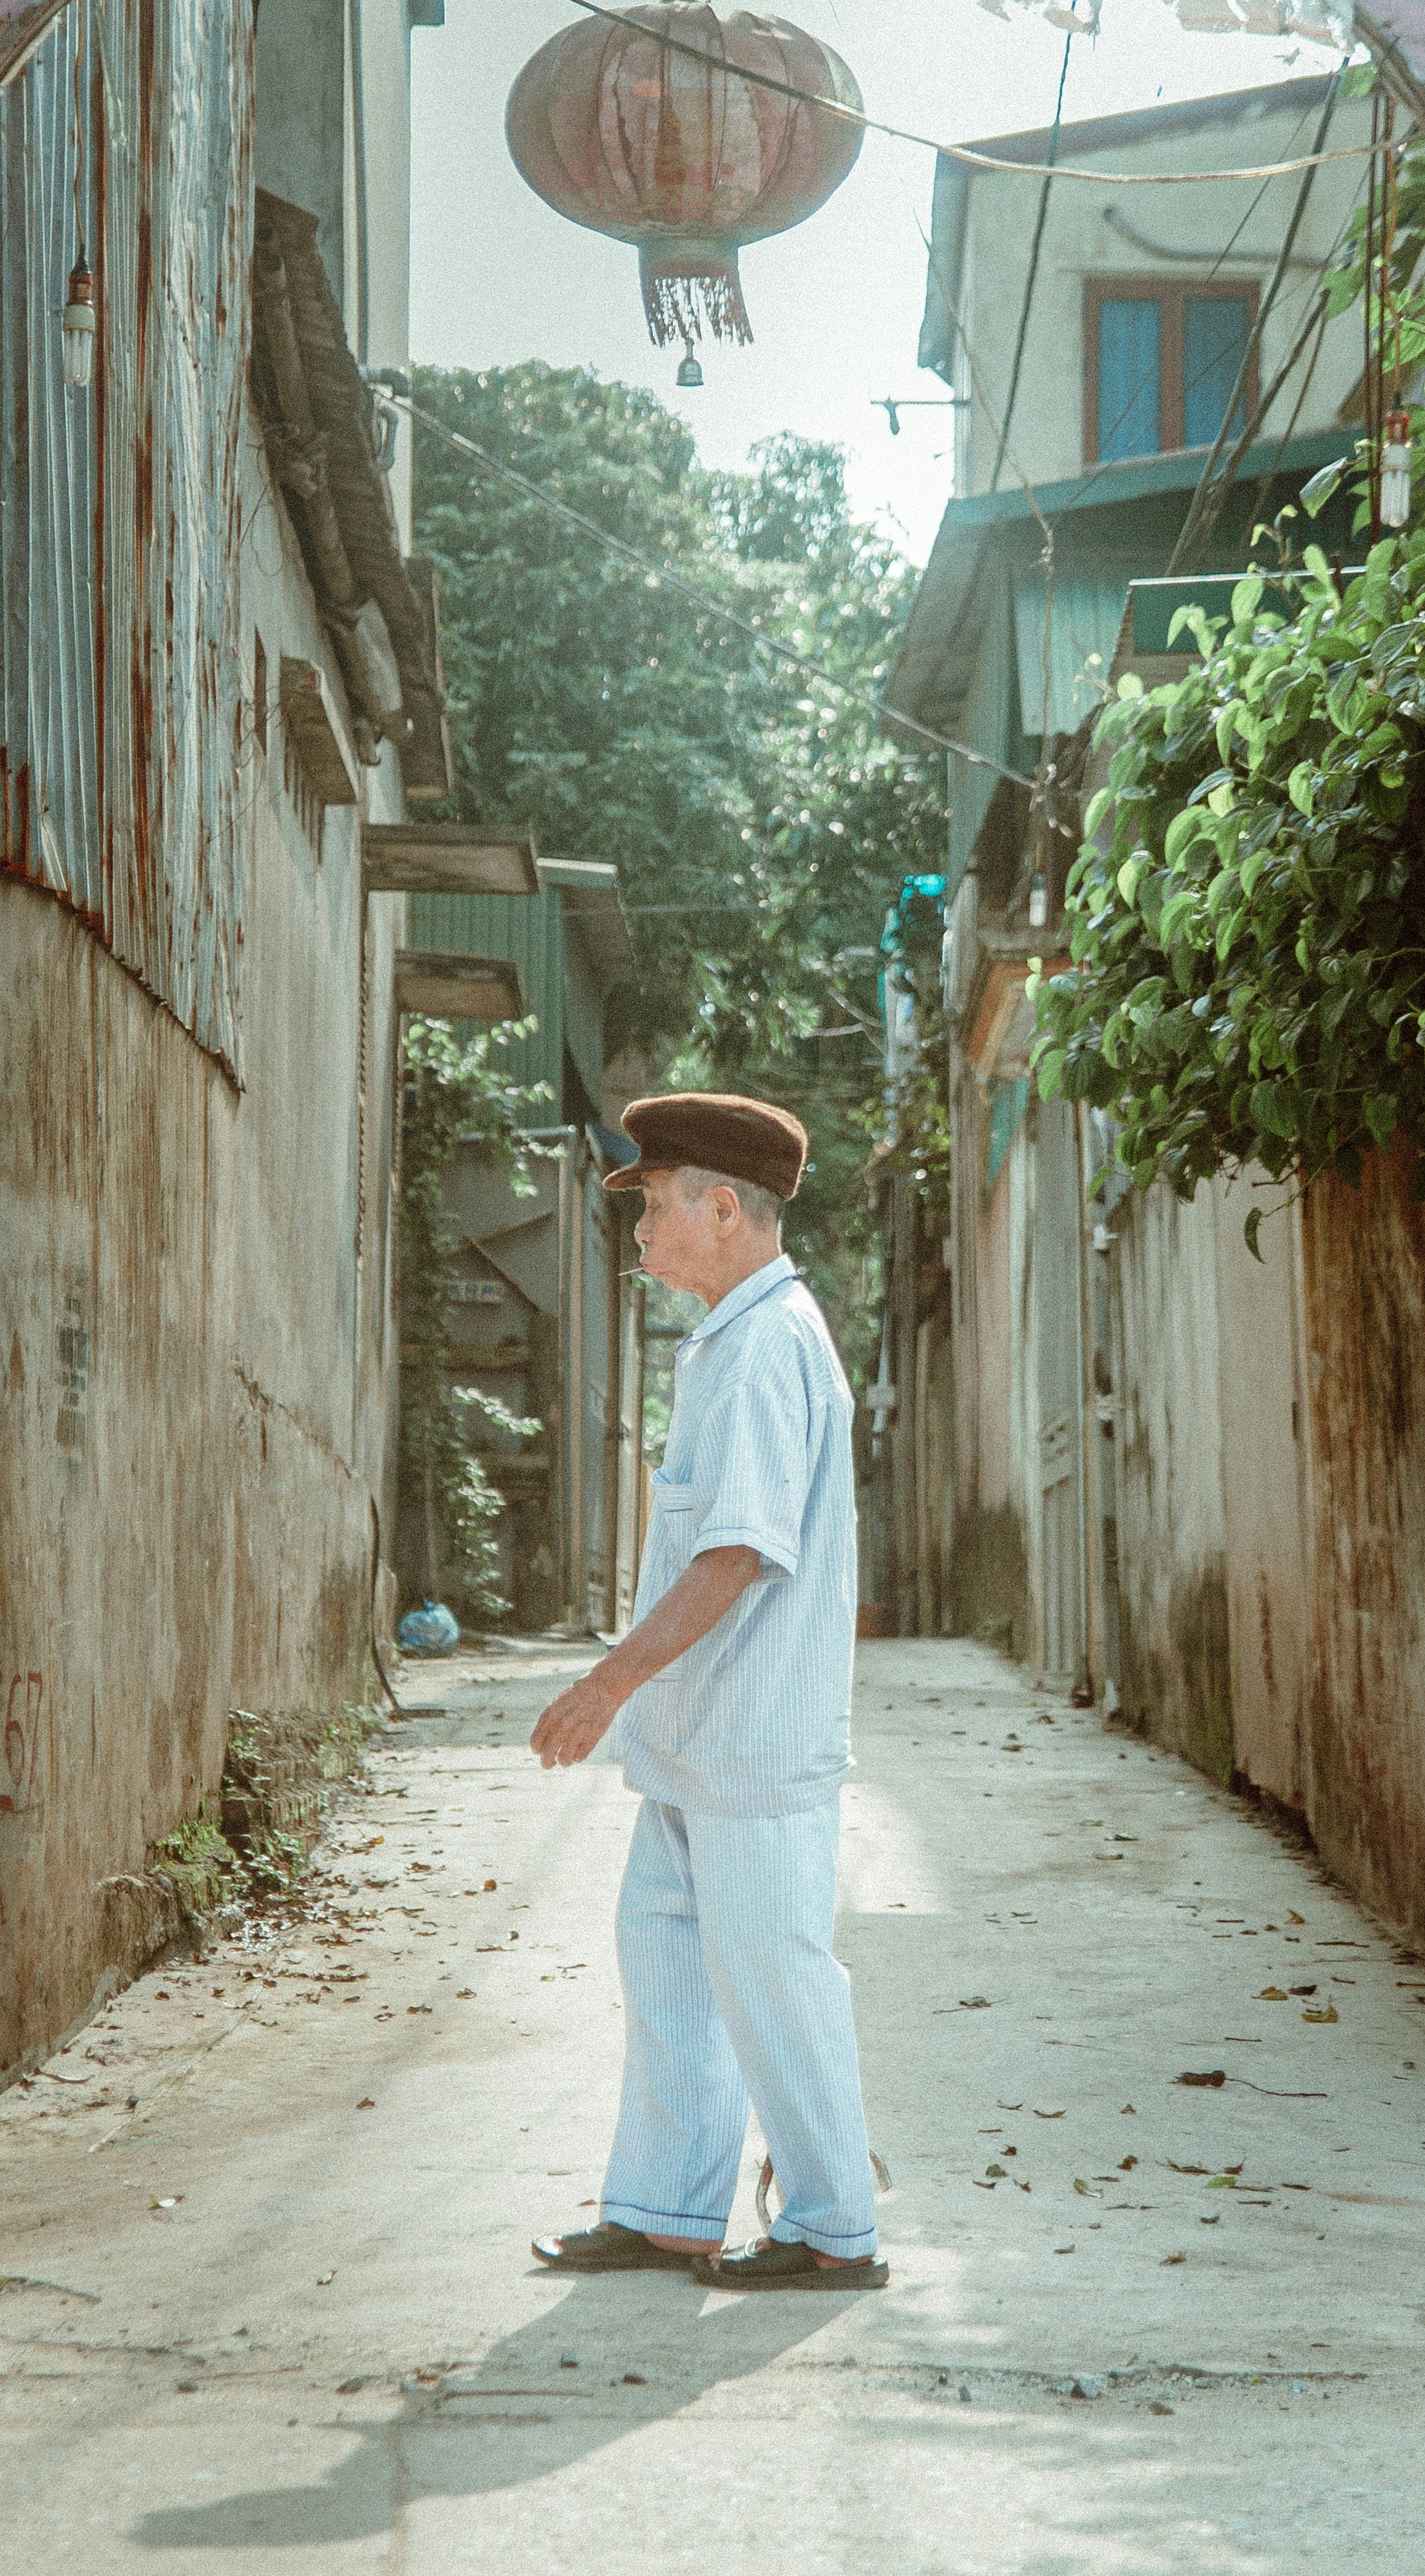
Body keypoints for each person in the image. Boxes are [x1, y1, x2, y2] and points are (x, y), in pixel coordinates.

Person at [529, 1092, 885, 2291]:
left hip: (754, 1739)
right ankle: (668, 2208)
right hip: (699, 1741)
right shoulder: (730, 1337)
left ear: (723, 1209)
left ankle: (833, 2228)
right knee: (668, 1963)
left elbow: (735, 1552)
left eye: (654, 1206)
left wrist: (604, 1681)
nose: (637, 1231)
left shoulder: (769, 1346)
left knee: (773, 1977)